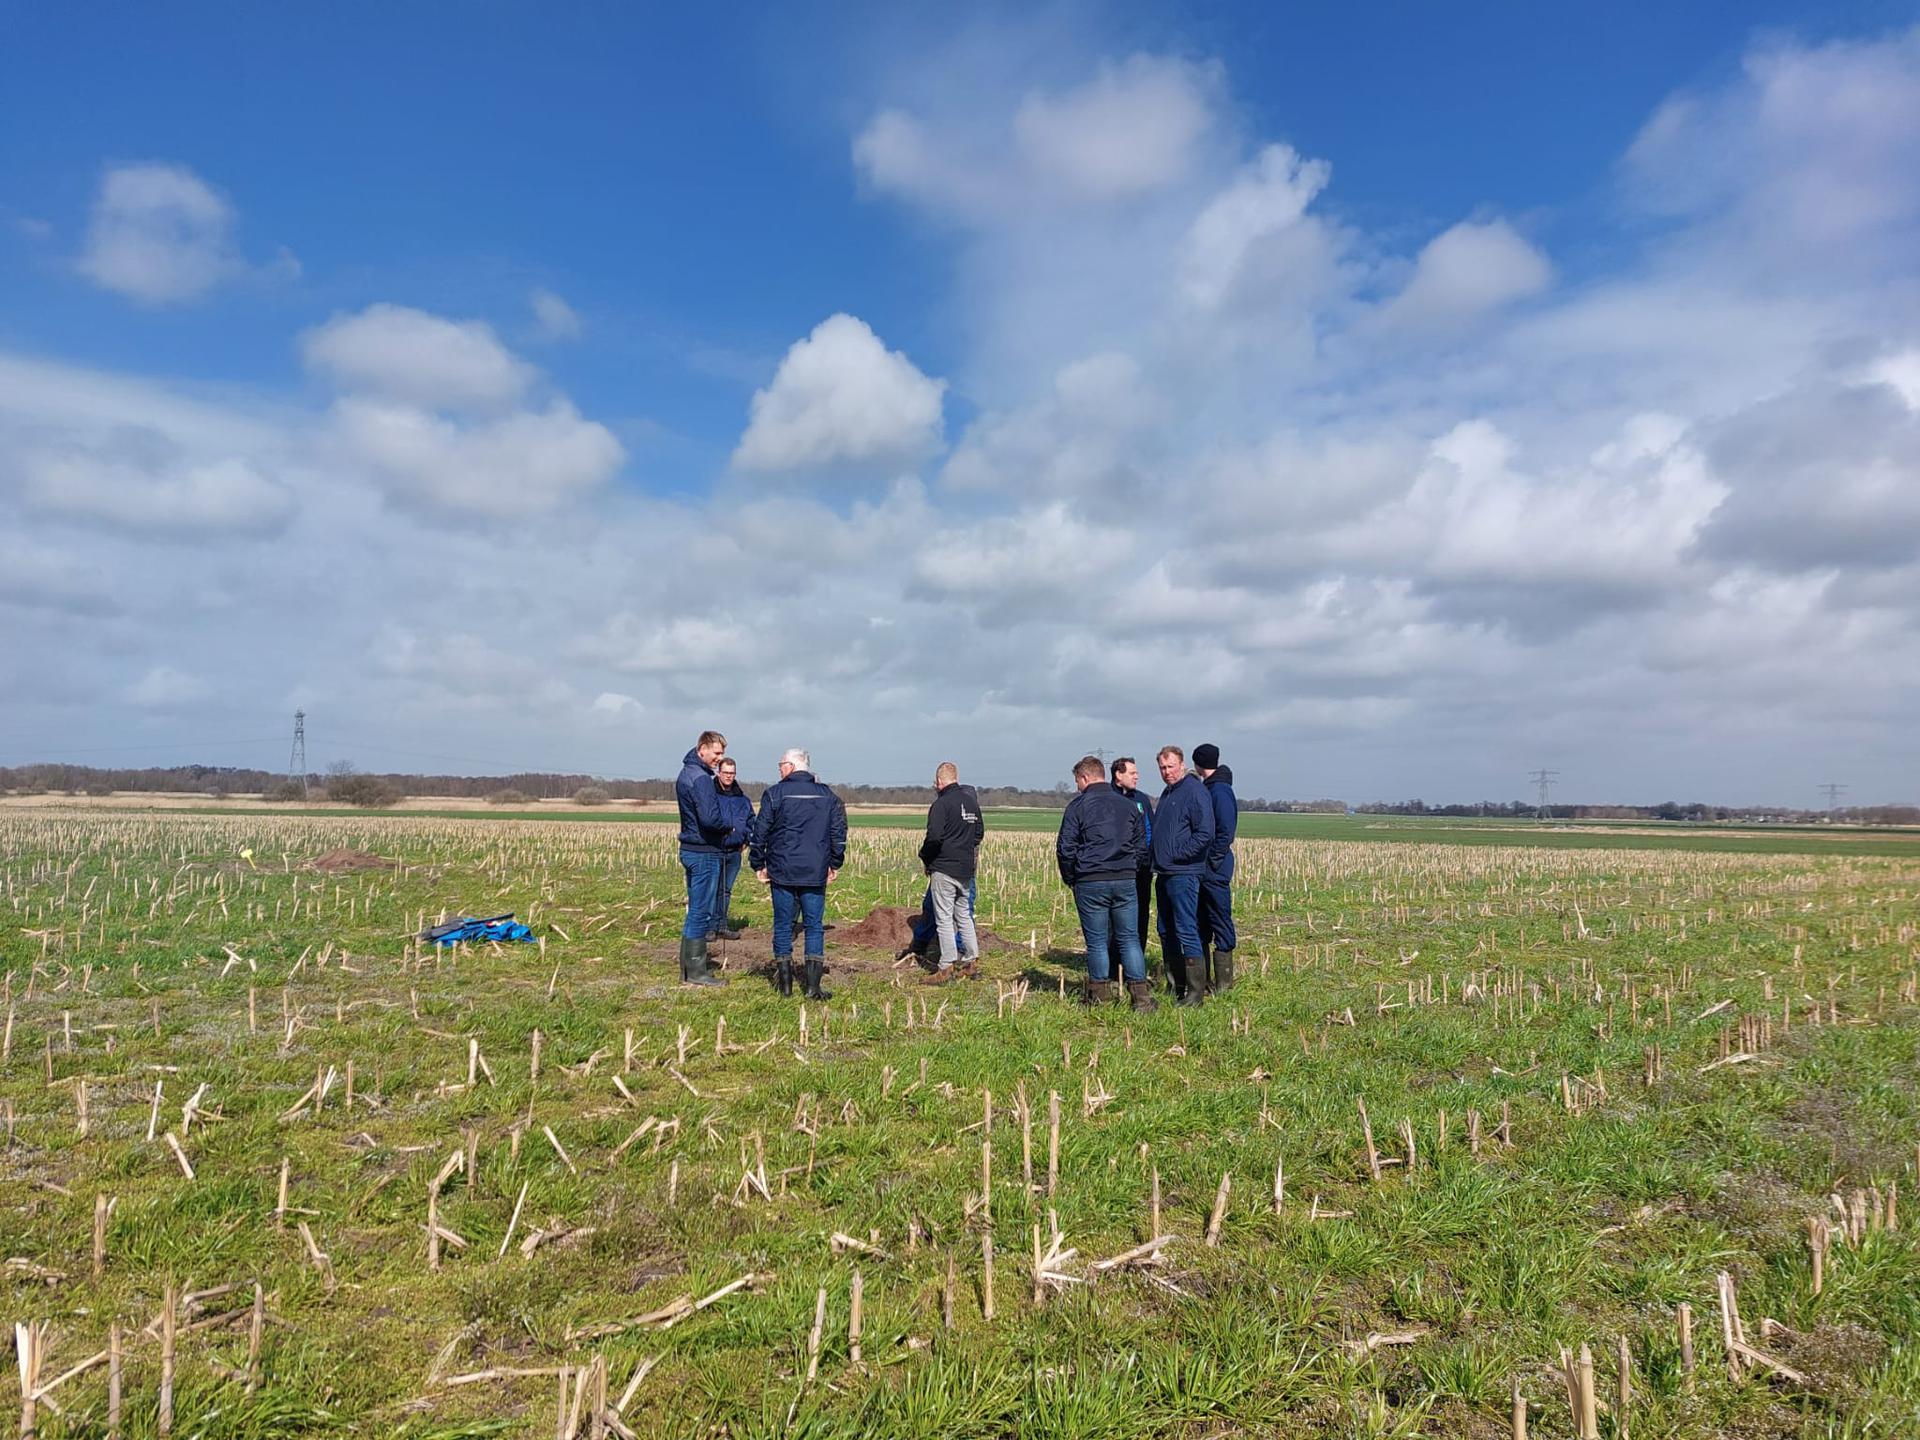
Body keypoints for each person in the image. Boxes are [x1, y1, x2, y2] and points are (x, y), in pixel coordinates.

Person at [750, 748, 847, 1001]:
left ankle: (785, 988)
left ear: (791, 766)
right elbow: (838, 834)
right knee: (814, 927)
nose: (779, 768)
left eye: (781, 764)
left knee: (783, 926)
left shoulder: (774, 794)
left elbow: (760, 834)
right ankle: (813, 988)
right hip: (815, 871)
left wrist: (757, 863)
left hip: (781, 870)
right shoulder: (828, 796)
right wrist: (834, 863)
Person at [1057, 755, 1153, 1010]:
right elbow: (1141, 847)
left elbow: (1065, 848)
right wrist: (1131, 870)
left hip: (1090, 880)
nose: (1077, 786)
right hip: (1124, 879)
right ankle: (1141, 999)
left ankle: (1100, 998)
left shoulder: (1077, 807)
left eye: (1077, 781)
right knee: (1130, 938)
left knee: (1097, 941)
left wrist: (1071, 878)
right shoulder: (1129, 806)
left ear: (1085, 777)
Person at [1151, 744, 1215, 1006]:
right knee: (1165, 929)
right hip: (1164, 872)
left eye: (1170, 766)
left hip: (1184, 873)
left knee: (1186, 929)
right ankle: (1175, 984)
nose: (1166, 772)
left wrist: (1178, 854)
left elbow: (1205, 833)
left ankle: (1195, 993)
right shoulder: (1168, 793)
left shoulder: (1194, 791)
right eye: (1162, 768)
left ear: (1182, 765)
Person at [918, 761, 984, 984]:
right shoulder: (971, 802)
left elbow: (934, 838)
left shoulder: (941, 804)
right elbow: (979, 834)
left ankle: (946, 967)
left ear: (939, 781)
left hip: (944, 868)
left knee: (944, 918)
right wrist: (963, 848)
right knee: (964, 915)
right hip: (966, 869)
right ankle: (971, 962)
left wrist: (925, 857)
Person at [674, 730, 730, 986]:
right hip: (703, 851)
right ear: (702, 749)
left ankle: (687, 970)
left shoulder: (687, 773)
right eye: (716, 753)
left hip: (690, 849)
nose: (720, 758)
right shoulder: (701, 779)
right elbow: (709, 819)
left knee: (695, 909)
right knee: (701, 911)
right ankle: (696, 971)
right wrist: (726, 827)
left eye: (722, 753)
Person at [1192, 742, 1239, 994]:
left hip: (1214, 869)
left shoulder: (1220, 791)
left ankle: (1224, 985)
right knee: (1200, 923)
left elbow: (1225, 832)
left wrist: (1212, 860)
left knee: (1220, 921)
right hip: (1203, 869)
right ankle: (1203, 981)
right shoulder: (1209, 788)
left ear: (1198, 763)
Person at [1109, 756, 1154, 984]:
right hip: (1115, 872)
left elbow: (1150, 832)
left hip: (1141, 872)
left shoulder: (1141, 800)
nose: (1137, 776)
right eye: (1132, 773)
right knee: (1113, 922)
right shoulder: (1107, 798)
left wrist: (1145, 862)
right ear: (1118, 775)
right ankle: (1112, 969)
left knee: (1140, 919)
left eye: (1137, 773)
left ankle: (1135, 970)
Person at [710, 756, 753, 942]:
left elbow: (751, 821)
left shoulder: (742, 799)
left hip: (734, 852)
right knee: (712, 889)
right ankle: (709, 927)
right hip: (713, 850)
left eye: (732, 773)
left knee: (725, 890)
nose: (729, 776)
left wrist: (747, 839)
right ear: (719, 772)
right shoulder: (710, 795)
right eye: (726, 772)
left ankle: (722, 925)